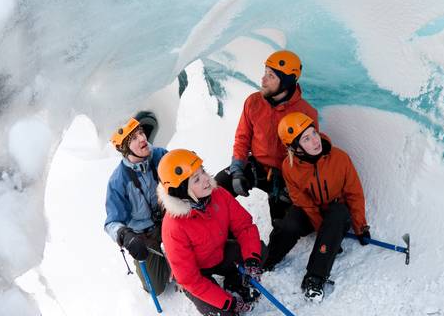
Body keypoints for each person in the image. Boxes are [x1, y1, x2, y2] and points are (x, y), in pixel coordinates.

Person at [263, 112, 371, 302]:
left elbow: (354, 194)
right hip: (311, 211)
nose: (315, 141)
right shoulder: (289, 167)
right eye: (306, 139)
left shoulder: (340, 158)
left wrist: (360, 227)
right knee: (290, 222)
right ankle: (265, 260)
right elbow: (302, 201)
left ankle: (315, 277)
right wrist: (323, 231)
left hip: (336, 212)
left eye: (313, 133)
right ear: (295, 148)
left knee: (338, 213)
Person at [215, 50, 318, 225]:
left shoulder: (306, 113)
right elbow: (242, 138)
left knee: (282, 224)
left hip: (285, 176)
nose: (263, 80)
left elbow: (309, 157)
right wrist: (238, 169)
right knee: (217, 187)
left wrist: (292, 186)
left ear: (286, 82)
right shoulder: (253, 102)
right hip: (256, 166)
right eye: (265, 73)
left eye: (271, 76)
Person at [157, 148, 265, 315]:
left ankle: (233, 279)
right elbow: (190, 279)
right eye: (197, 179)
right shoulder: (173, 227)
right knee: (225, 312)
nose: (207, 179)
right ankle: (223, 291)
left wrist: (251, 260)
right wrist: (229, 302)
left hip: (219, 254)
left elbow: (244, 226)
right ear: (181, 189)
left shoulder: (218, 194)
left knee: (259, 252)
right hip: (196, 274)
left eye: (203, 172)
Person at [104, 117, 171, 294]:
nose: (142, 138)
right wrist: (125, 236)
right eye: (133, 138)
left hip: (170, 220)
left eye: (141, 132)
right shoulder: (118, 181)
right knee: (155, 288)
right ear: (125, 150)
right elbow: (112, 223)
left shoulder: (160, 155)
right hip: (145, 236)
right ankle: (163, 260)